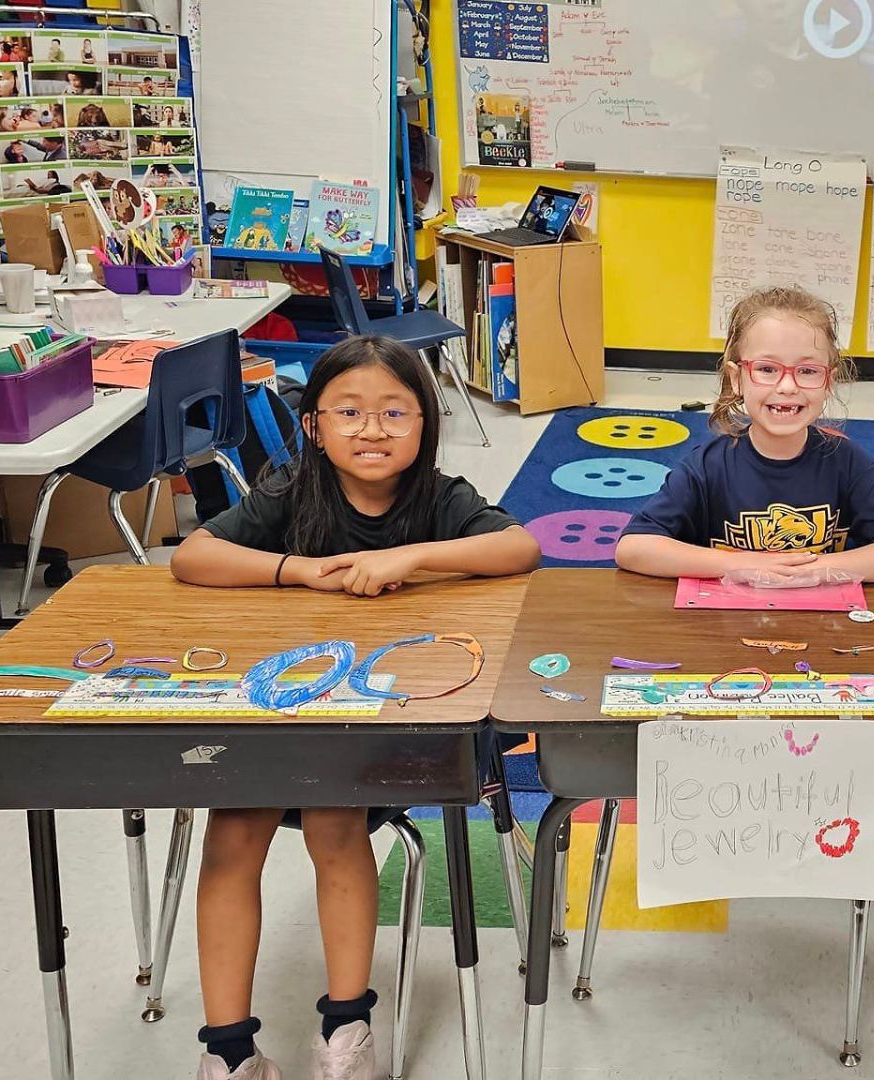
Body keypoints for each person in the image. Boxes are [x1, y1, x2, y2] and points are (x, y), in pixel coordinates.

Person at [170, 336, 541, 1080]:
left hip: (376, 733)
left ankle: (348, 1026)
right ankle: (229, 1052)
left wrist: (410, 558)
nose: (372, 431)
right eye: (349, 412)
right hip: (277, 716)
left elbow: (520, 548)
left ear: (425, 426)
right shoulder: (290, 487)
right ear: (314, 425)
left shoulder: (437, 496)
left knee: (334, 821)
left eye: (395, 414)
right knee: (232, 831)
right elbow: (192, 557)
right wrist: (297, 571)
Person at [614, 286, 874, 583]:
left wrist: (815, 569)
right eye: (767, 369)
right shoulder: (706, 468)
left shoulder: (849, 465)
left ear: (828, 382)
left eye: (807, 371)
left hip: (821, 627)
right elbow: (633, 547)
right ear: (737, 379)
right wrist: (743, 564)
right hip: (725, 626)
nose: (787, 386)